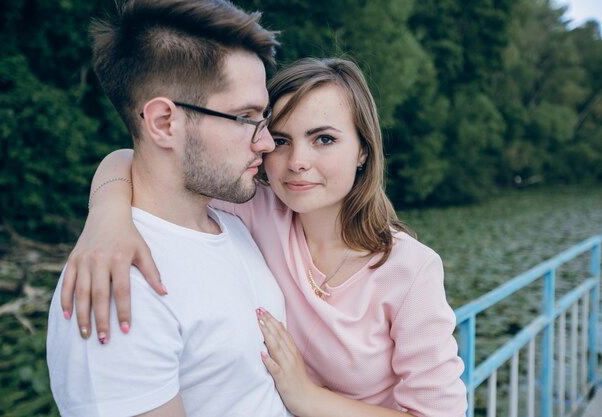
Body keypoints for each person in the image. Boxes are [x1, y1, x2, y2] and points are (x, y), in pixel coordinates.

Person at [62, 58, 468, 416]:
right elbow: (133, 157)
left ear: (363, 150)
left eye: (323, 139)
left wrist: (307, 397)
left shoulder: (408, 269)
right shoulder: (254, 209)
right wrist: (106, 216)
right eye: (282, 140)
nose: (297, 163)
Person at [46, 0, 292, 416]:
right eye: (245, 117)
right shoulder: (117, 288)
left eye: (263, 115)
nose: (266, 142)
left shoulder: (232, 222)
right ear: (163, 123)